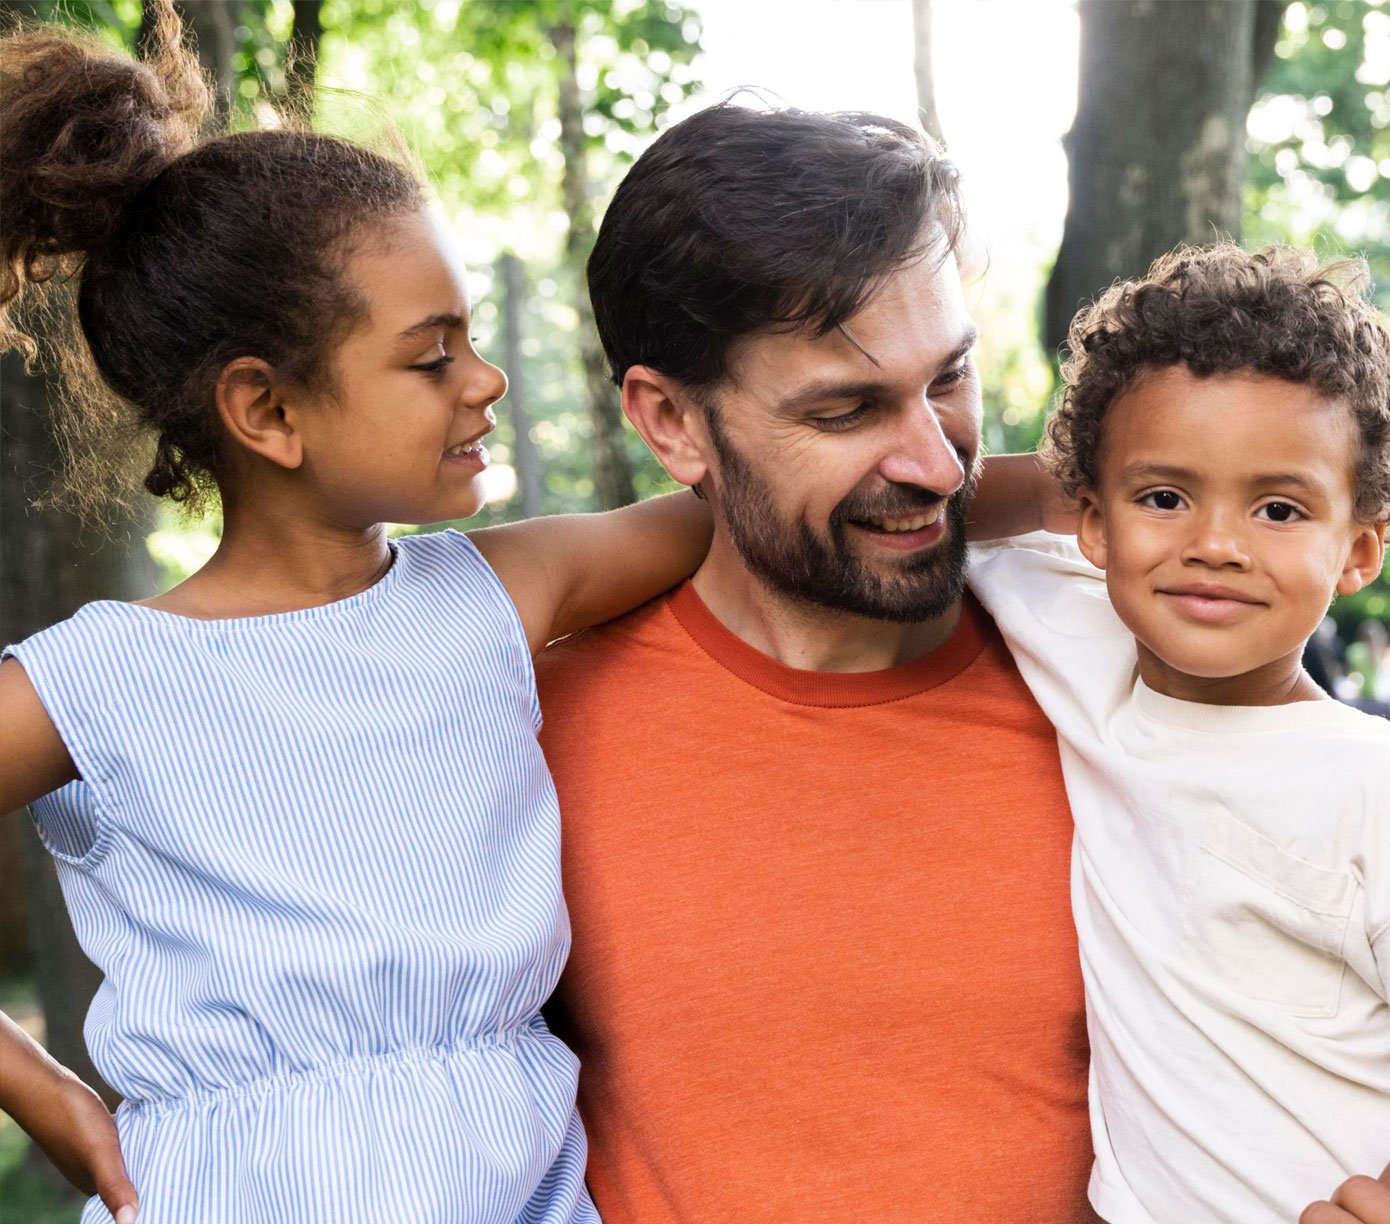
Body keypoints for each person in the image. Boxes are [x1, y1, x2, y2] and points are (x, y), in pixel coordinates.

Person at [0, 7, 710, 1222]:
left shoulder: (493, 591)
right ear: (266, 412)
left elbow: (764, 507)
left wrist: (1061, 491)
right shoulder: (101, 679)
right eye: (431, 357)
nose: (483, 381)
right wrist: (41, 1092)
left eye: (474, 343)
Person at [536, 103, 1097, 1221]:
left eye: (947, 379)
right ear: (670, 423)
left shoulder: (1119, 676)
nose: (937, 465)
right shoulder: (527, 733)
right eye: (846, 410)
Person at [966, 245, 1390, 1223]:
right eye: (1164, 496)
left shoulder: (1367, 785)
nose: (1213, 542)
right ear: (1091, 523)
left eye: (1278, 508)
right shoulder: (1075, 642)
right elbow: (921, 508)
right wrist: (1077, 474)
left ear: (1358, 551)